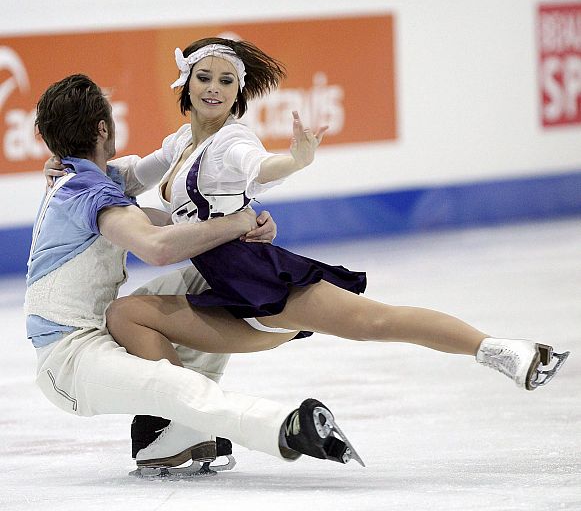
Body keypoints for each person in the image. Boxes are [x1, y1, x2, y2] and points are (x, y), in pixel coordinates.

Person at [78, 37, 567, 465]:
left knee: (378, 322)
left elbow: (258, 166)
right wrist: (76, 166)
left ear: (237, 94)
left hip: (258, 280)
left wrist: (294, 160)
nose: (214, 88)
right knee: (129, 315)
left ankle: (502, 350)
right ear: (185, 84)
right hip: (221, 284)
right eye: (204, 77)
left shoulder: (232, 143)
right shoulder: (182, 140)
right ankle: (185, 423)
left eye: (226, 81)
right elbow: (132, 176)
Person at [29, 73, 362, 477]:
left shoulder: (103, 178)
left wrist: (245, 225)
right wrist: (238, 219)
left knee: (212, 274)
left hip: (101, 327)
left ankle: (190, 426)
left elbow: (178, 169)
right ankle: (286, 429)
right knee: (167, 385)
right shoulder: (87, 192)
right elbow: (158, 246)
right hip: (68, 359)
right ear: (103, 128)